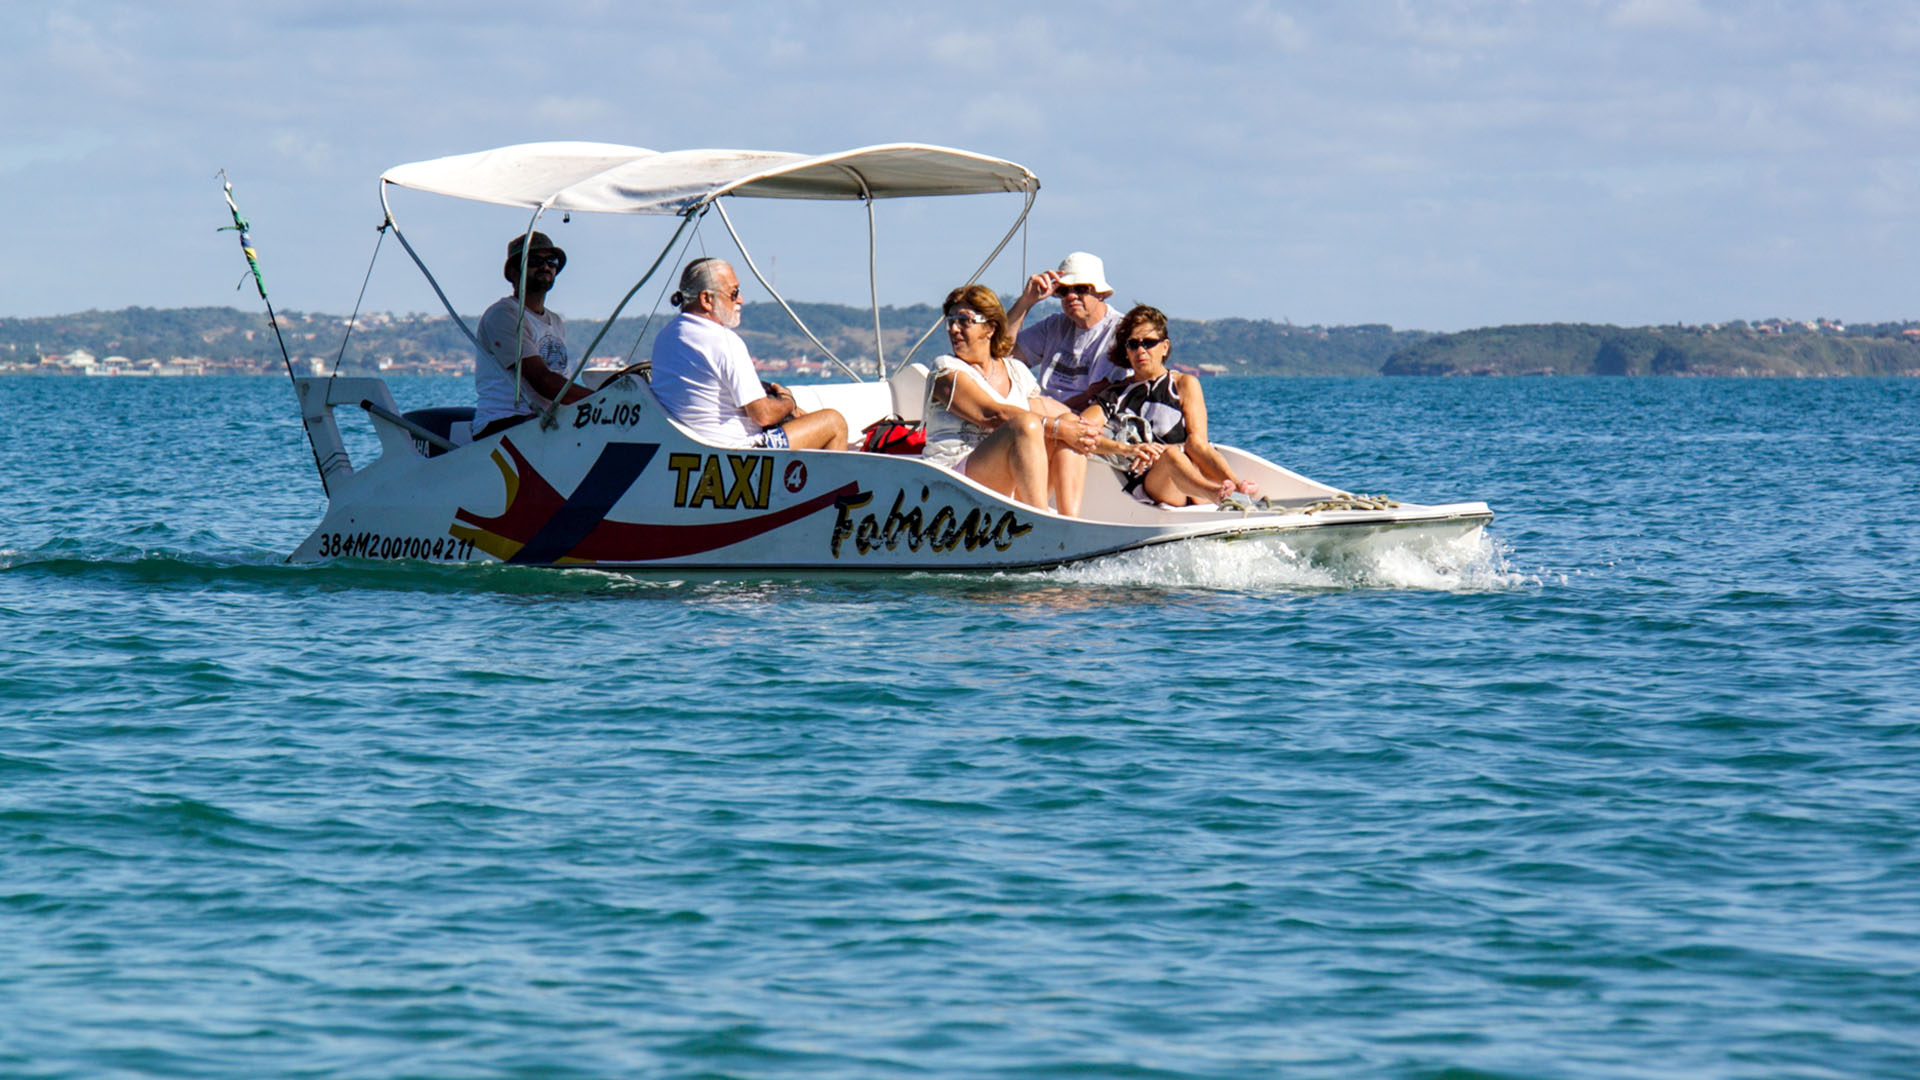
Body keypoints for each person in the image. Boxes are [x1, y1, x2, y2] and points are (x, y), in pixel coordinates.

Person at [923, 284, 1096, 513]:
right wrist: (1057, 427)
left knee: (1070, 423)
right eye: (951, 321)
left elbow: (1067, 422)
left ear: (990, 328)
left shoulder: (1016, 370)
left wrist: (1122, 448)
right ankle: (1040, 520)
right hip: (953, 481)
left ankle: (1068, 524)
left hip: (1007, 484)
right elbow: (992, 414)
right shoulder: (944, 370)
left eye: (964, 321)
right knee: (1027, 424)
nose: (954, 329)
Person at [649, 258, 848, 450]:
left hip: (688, 447)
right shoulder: (724, 341)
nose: (741, 300)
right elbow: (763, 415)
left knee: (801, 418)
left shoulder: (665, 337)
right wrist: (787, 402)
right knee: (833, 422)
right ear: (707, 299)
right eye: (734, 293)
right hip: (736, 452)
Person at [1080, 305, 1257, 506]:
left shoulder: (1183, 384)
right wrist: (1127, 449)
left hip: (1190, 474)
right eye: (1133, 344)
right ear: (1126, 351)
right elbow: (1081, 431)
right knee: (1170, 454)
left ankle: (1237, 488)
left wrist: (1166, 451)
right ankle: (1217, 494)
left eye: (1148, 343)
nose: (1141, 350)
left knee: (1188, 448)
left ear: (1164, 347)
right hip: (1153, 485)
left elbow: (1198, 444)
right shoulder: (1115, 394)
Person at [472, 231, 589, 440]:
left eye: (551, 261)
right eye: (534, 260)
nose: (545, 267)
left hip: (544, 421)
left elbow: (557, 379)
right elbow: (542, 381)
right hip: (503, 424)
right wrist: (600, 400)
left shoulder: (556, 321)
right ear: (515, 272)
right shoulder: (504, 315)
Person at [1005, 251, 1127, 408]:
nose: (1071, 296)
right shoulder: (1053, 326)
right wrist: (1026, 301)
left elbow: (1108, 397)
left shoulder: (1122, 332)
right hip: (1043, 415)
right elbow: (1002, 353)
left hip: (1088, 419)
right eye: (1064, 291)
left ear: (1101, 293)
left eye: (1080, 289)